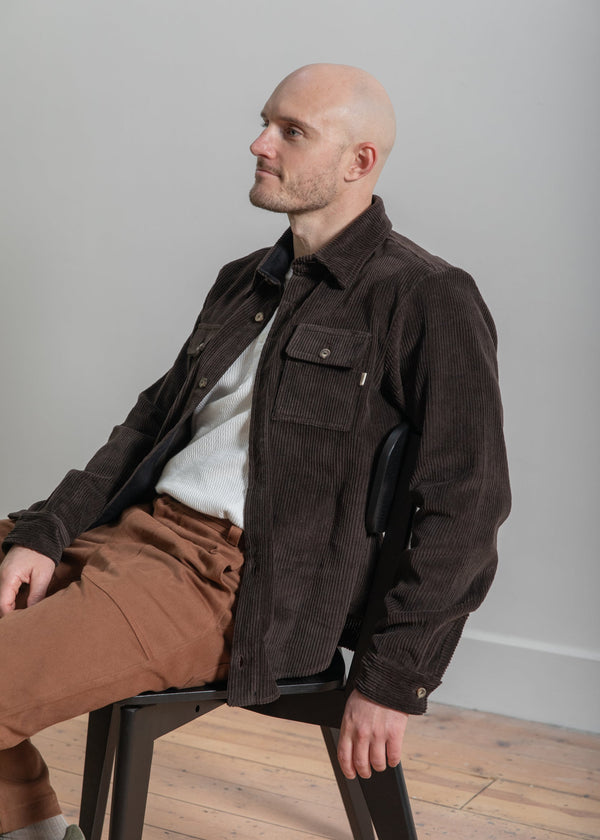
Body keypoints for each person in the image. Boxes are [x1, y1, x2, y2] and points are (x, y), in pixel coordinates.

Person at [0, 63, 510, 839]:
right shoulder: (245, 282)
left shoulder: (426, 297)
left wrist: (394, 679)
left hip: (228, 580)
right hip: (130, 533)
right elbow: (146, 427)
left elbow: (466, 504)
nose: (259, 143)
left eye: (291, 131)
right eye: (266, 122)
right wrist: (45, 531)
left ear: (359, 161)